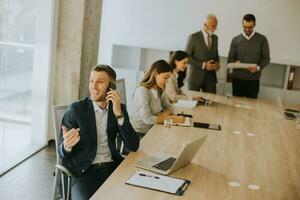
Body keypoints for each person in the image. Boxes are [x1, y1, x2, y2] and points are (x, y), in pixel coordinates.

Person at [58, 65, 139, 200]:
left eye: (99, 82)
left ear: (111, 87)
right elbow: (61, 152)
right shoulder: (76, 110)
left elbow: (133, 145)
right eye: (91, 81)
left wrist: (119, 115)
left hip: (112, 168)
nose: (93, 86)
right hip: (84, 172)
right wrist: (67, 145)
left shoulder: (118, 108)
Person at [131, 59, 185, 137]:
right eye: (165, 78)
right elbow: (148, 119)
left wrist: (161, 115)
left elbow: (170, 107)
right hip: (140, 134)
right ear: (155, 74)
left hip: (154, 128)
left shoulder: (159, 89)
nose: (166, 82)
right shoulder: (142, 91)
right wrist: (172, 119)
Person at [228, 14, 270, 99]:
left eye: (250, 27)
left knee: (252, 106)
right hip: (238, 79)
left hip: (253, 79)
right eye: (245, 26)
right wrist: (235, 62)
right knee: (236, 105)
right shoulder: (235, 40)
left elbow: (266, 59)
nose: (247, 29)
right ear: (242, 24)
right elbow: (230, 58)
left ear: (254, 25)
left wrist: (258, 68)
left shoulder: (262, 39)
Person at [186, 14, 220, 93]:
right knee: (193, 103)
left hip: (210, 78)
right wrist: (204, 65)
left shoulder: (215, 38)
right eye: (213, 26)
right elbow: (187, 58)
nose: (215, 29)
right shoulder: (193, 37)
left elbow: (216, 55)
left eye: (216, 26)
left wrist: (217, 63)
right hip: (195, 78)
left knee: (211, 102)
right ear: (205, 24)